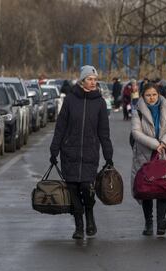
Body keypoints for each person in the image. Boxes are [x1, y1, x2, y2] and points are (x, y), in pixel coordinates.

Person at [50, 65, 114, 240]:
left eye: (95, 79)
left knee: (86, 188)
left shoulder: (100, 102)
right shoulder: (70, 100)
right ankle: (79, 226)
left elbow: (104, 132)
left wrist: (108, 154)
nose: (93, 82)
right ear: (82, 81)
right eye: (90, 79)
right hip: (69, 152)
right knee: (72, 189)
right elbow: (61, 126)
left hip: (90, 152)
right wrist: (54, 149)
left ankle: (90, 215)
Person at [131, 83, 166, 236]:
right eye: (148, 95)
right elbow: (136, 133)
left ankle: (160, 223)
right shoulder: (137, 111)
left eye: (154, 94)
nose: (151, 98)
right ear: (142, 96)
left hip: (164, 153)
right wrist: (154, 144)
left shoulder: (165, 107)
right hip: (145, 155)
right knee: (146, 189)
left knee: (162, 188)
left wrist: (164, 141)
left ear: (158, 95)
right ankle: (148, 223)